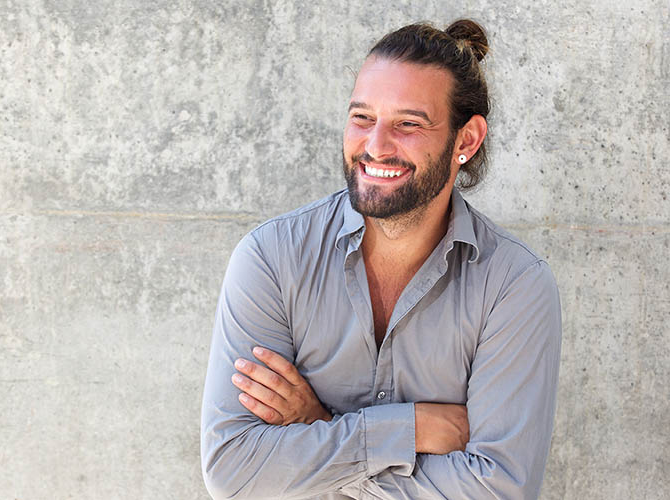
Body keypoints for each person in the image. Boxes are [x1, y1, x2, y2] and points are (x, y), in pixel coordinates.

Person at [201, 19, 561, 500]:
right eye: (362, 118)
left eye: (408, 124)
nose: (375, 146)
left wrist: (319, 425)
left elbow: (496, 492)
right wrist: (408, 430)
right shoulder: (272, 258)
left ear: (466, 141)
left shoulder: (514, 286)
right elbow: (233, 469)